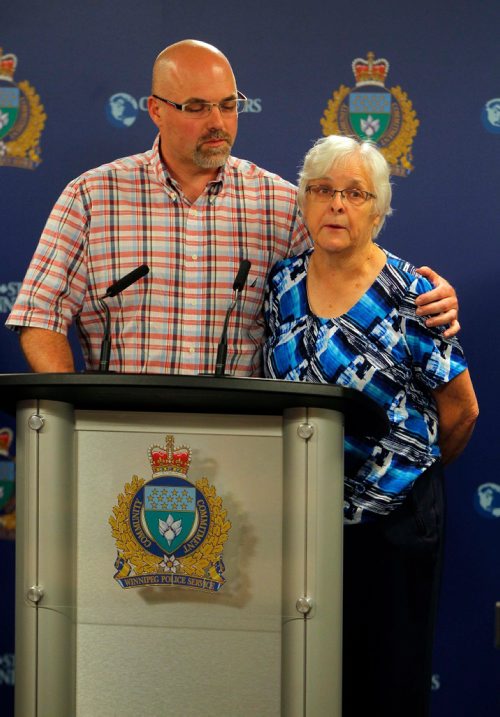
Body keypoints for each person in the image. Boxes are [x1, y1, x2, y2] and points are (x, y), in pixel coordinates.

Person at [6, 39, 458, 374]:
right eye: (197, 108)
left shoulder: (281, 205)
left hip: (242, 445)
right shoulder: (91, 198)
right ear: (156, 110)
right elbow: (39, 318)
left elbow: (353, 273)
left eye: (228, 105)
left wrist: (421, 292)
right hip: (118, 433)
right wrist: (73, 414)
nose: (218, 123)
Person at [263, 134, 479, 716]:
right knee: (306, 684)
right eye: (323, 190)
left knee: (388, 685)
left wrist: (407, 480)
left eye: (355, 193)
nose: (337, 204)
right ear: (303, 202)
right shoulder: (280, 286)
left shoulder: (415, 295)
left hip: (395, 529)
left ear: (378, 212)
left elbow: (462, 411)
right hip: (303, 524)